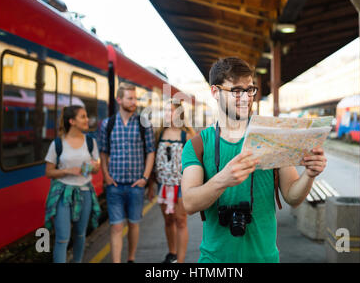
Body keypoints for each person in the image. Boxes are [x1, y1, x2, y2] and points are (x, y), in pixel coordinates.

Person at [181, 57, 328, 263]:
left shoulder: (272, 136)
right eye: (236, 91)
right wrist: (224, 179)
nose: (246, 98)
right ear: (215, 92)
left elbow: (292, 197)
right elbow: (188, 203)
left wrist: (310, 175)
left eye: (249, 90)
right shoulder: (198, 145)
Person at [98, 83, 155, 263]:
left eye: (135, 98)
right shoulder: (108, 124)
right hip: (114, 185)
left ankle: (130, 258)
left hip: (135, 185)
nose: (134, 101)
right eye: (130, 98)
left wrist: (145, 178)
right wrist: (106, 176)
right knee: (115, 227)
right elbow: (104, 152)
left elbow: (150, 152)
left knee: (133, 224)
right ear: (119, 99)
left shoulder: (143, 124)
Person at [44, 105, 101, 263]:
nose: (87, 120)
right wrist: (67, 171)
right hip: (64, 194)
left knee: (80, 235)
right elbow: (49, 172)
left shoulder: (91, 142)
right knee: (62, 238)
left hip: (85, 192)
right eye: (83, 116)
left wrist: (93, 167)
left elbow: (96, 168)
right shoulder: (57, 144)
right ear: (72, 121)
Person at [148, 100, 195, 263]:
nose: (168, 114)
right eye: (166, 111)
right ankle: (172, 253)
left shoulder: (186, 135)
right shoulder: (159, 133)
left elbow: (195, 161)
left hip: (180, 185)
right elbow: (153, 160)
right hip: (163, 184)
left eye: (171, 111)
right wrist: (150, 185)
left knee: (180, 221)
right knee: (168, 220)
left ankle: (180, 260)